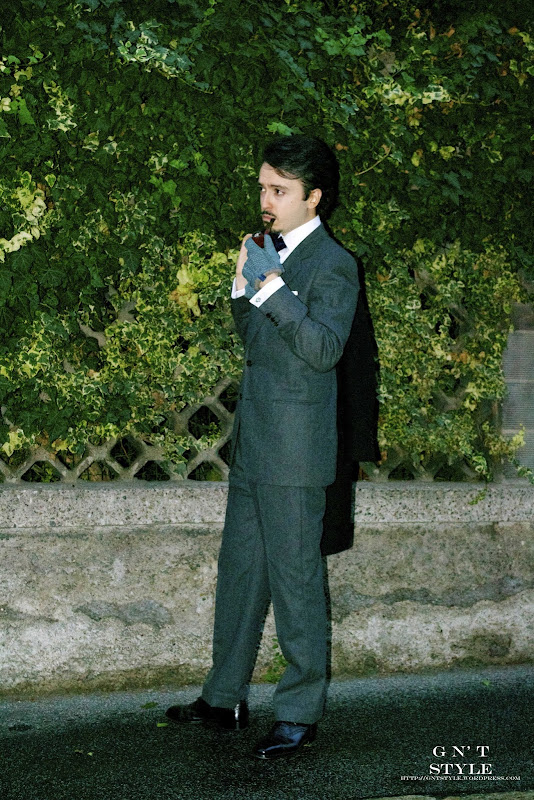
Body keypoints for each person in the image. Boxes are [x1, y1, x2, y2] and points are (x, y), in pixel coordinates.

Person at [166, 135, 378, 760]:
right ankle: (223, 697)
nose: (266, 199)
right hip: (255, 440)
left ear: (314, 198)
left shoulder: (333, 264)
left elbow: (323, 350)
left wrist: (271, 287)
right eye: (263, 187)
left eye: (279, 190)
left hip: (298, 451)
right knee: (239, 575)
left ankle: (299, 712)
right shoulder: (265, 251)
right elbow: (258, 343)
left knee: (295, 582)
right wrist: (244, 287)